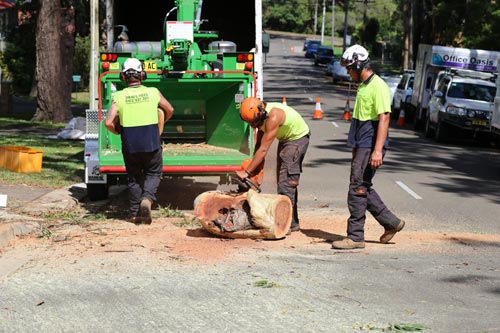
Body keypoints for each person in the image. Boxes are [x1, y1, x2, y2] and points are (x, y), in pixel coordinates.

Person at [332, 45, 405, 250]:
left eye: (349, 68)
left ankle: (355, 237)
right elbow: (361, 118)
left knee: (357, 187)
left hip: (370, 143)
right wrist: (355, 146)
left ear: (358, 64)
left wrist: (377, 150)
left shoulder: (378, 86)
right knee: (362, 185)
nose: (348, 72)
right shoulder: (363, 85)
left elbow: (384, 118)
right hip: (361, 143)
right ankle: (391, 223)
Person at [105, 57, 174, 224]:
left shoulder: (118, 96)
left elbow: (108, 122)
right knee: (154, 172)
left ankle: (136, 214)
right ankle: (147, 199)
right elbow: (170, 109)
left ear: (123, 76)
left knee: (134, 178)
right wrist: (162, 122)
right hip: (151, 142)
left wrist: (117, 131)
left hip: (130, 145)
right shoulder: (153, 92)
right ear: (142, 75)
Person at [236, 97, 310, 233]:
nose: (253, 126)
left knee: (286, 182)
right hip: (286, 139)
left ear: (261, 114)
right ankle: (292, 221)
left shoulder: (273, 116)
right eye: (250, 123)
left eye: (254, 123)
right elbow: (259, 146)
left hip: (296, 139)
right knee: (283, 180)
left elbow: (264, 150)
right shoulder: (262, 117)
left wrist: (247, 172)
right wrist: (254, 167)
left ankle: (287, 224)